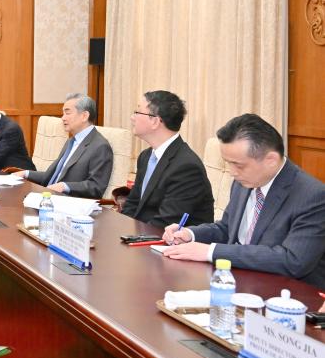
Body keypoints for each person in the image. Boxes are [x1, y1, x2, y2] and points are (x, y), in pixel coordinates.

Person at [161, 114, 325, 287]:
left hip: (288, 292)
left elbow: (293, 261)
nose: (232, 172)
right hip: (240, 281)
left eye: (238, 165)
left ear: (271, 160)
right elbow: (227, 228)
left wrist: (211, 251)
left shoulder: (312, 196)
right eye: (228, 163)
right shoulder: (244, 181)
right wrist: (191, 234)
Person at [120, 90, 213, 228]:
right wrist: (120, 228)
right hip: (142, 234)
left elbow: (166, 222)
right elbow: (133, 204)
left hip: (167, 238)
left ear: (155, 121)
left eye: (137, 112)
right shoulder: (145, 157)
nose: (132, 118)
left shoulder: (186, 167)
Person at [15, 94, 114, 199]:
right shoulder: (71, 141)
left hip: (69, 202)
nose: (63, 118)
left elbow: (96, 187)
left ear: (84, 116)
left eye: (67, 113)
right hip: (48, 196)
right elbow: (53, 175)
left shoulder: (100, 146)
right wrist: (26, 173)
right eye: (63, 113)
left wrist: (65, 186)